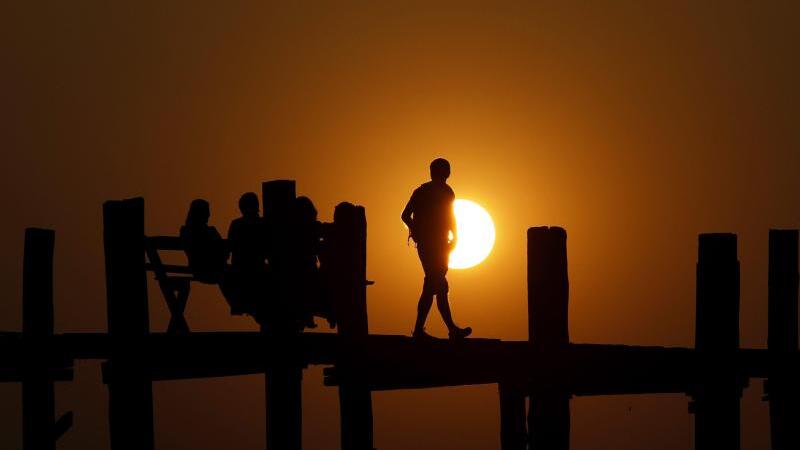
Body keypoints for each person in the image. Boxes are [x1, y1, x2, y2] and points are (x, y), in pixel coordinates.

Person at [402, 158, 472, 339]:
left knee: (434, 285)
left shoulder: (443, 192)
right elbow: (405, 216)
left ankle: (422, 330)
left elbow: (450, 217)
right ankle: (449, 329)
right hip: (430, 245)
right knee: (439, 283)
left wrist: (454, 237)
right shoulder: (425, 191)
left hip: (441, 245)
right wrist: (418, 231)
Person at [222, 192, 268, 316]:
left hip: (239, 268)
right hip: (258, 269)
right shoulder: (263, 223)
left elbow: (228, 249)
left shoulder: (236, 224)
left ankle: (237, 305)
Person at [179, 199, 227, 284]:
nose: (209, 215)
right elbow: (224, 254)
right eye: (207, 212)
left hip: (196, 271)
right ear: (203, 214)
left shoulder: (184, 231)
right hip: (214, 271)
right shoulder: (210, 232)